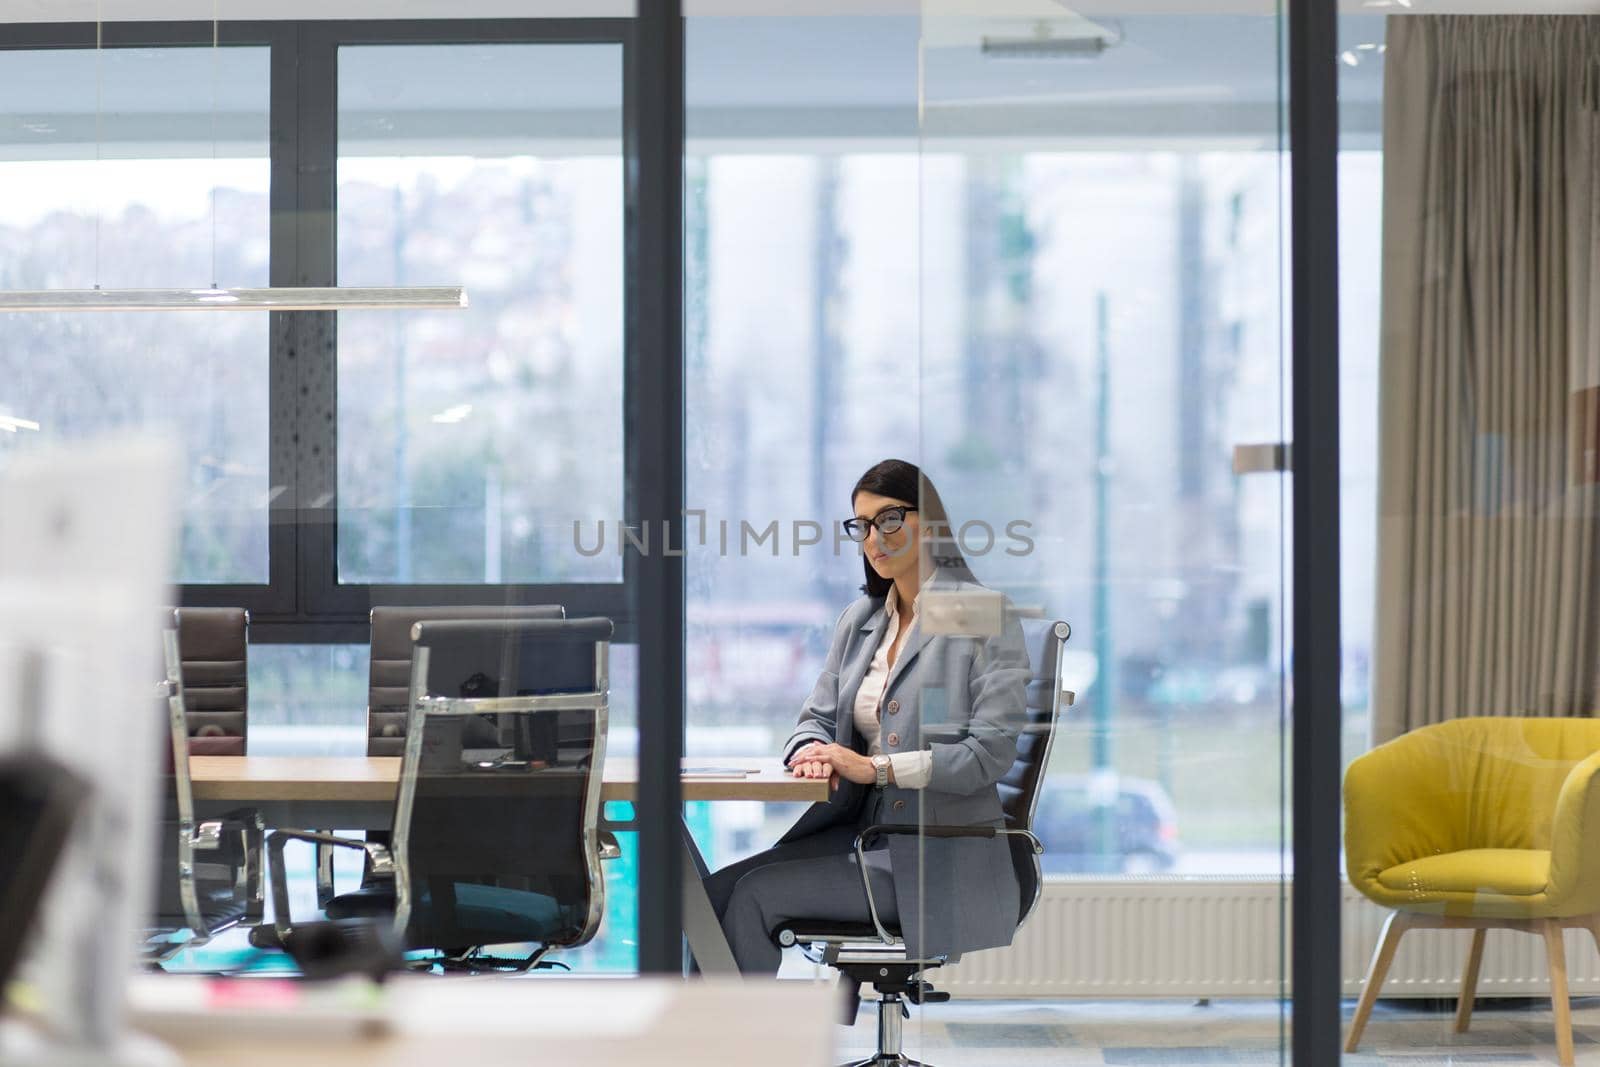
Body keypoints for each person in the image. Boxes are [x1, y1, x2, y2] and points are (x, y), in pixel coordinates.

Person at [702, 458, 1032, 990]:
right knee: (710, 895)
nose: (873, 538)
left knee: (753, 895)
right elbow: (814, 717)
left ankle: (738, 1047)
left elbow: (987, 755)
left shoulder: (978, 614)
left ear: (931, 525)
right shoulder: (862, 620)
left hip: (933, 854)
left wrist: (873, 768)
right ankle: (703, 1045)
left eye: (889, 520)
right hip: (861, 835)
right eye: (862, 525)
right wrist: (811, 749)